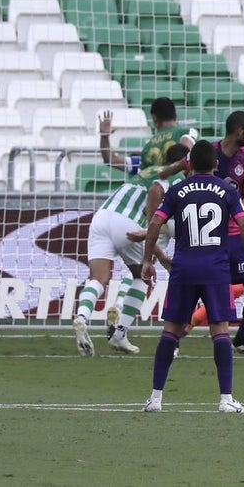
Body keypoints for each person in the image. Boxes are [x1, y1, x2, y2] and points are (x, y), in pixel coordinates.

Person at [140, 141, 244, 413]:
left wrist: (148, 260)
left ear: (190, 165)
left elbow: (155, 222)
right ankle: (226, 399)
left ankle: (155, 399)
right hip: (216, 269)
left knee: (170, 332)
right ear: (216, 164)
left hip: (183, 268)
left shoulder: (177, 190)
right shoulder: (228, 190)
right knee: (220, 331)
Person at [72, 144, 190, 357]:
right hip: (128, 222)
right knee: (141, 276)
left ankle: (81, 317)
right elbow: (157, 193)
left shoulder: (147, 169)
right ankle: (120, 334)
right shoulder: (177, 177)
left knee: (98, 278)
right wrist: (159, 249)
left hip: (102, 216)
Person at [99, 97, 197, 174]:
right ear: (175, 115)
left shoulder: (149, 146)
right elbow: (185, 156)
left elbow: (111, 160)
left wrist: (104, 137)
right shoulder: (187, 132)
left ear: (154, 118)